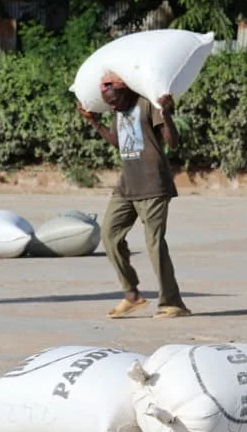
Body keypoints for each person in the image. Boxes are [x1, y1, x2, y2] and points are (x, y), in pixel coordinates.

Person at [78, 72, 190, 319]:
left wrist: (167, 114)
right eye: (109, 104)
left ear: (124, 90)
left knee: (154, 244)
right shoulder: (118, 109)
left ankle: (172, 303)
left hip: (153, 184)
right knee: (109, 236)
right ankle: (131, 295)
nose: (113, 107)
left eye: (114, 101)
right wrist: (94, 122)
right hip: (127, 185)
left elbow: (172, 142)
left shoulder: (148, 103)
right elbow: (120, 143)